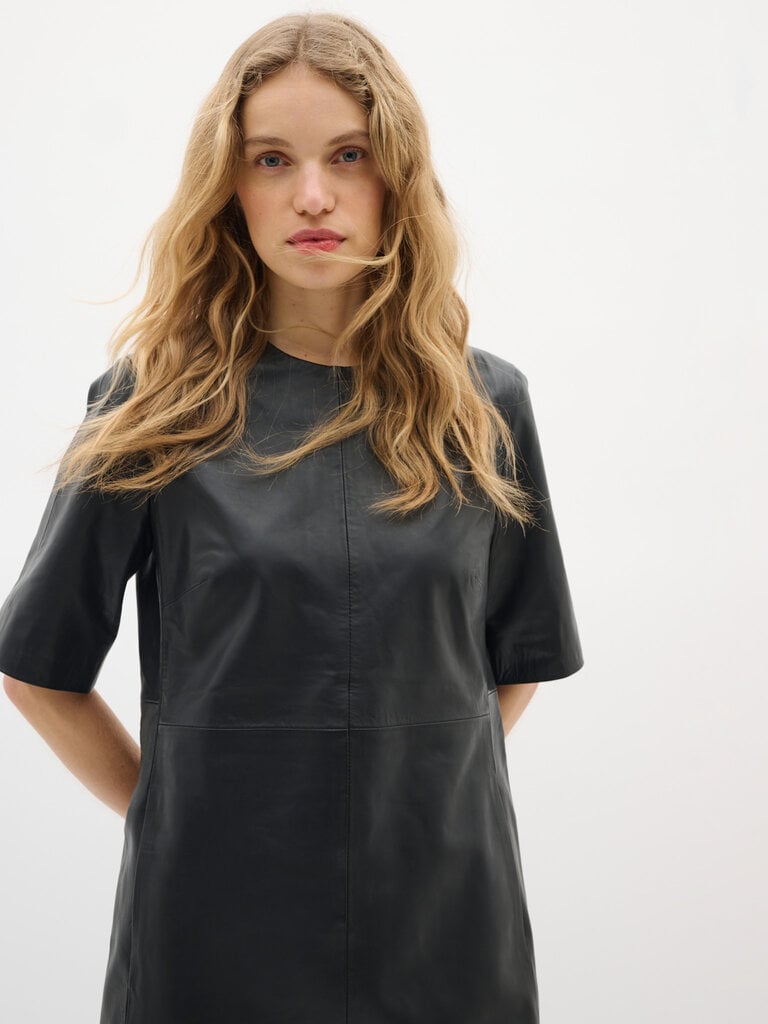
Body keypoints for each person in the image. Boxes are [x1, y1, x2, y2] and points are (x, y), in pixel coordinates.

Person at [0, 12, 583, 1024]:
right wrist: (174, 813)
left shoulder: (487, 406)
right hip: (210, 932)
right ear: (230, 184)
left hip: (448, 925)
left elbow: (516, 655)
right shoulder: (152, 406)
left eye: (348, 155)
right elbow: (38, 668)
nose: (313, 195)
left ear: (396, 174)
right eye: (272, 159)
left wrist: (410, 797)